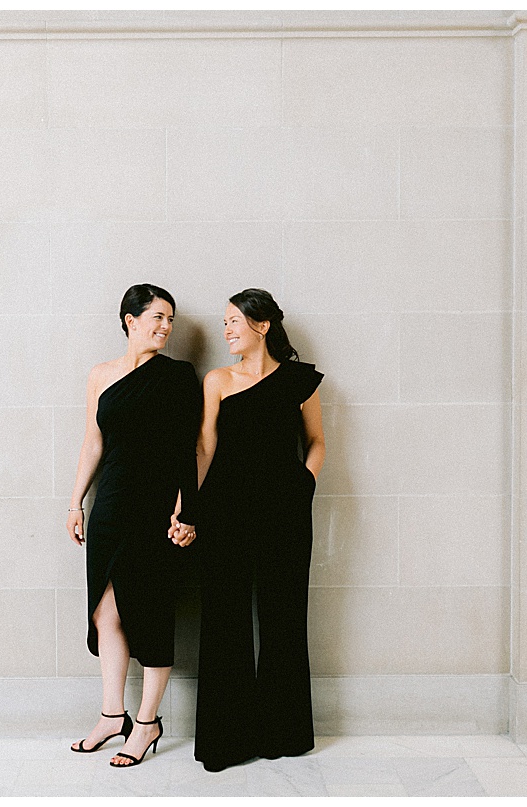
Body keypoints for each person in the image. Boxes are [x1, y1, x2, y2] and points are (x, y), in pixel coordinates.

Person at [174, 288, 325, 773]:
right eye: (224, 323)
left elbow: (318, 442)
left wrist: (303, 485)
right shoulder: (217, 380)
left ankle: (284, 733)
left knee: (283, 619)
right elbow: (202, 450)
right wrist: (187, 511)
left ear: (262, 326)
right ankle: (227, 740)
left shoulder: (301, 381)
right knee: (225, 621)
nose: (226, 331)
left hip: (284, 514)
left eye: (234, 321)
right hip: (225, 514)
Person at [66, 284, 202, 768]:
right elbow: (92, 443)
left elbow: (191, 449)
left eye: (171, 320)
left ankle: (147, 723)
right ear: (130, 319)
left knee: (150, 610)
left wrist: (186, 512)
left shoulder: (180, 376)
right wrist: (76, 501)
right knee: (106, 613)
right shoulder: (101, 375)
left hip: (157, 506)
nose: (166, 327)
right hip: (112, 503)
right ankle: (111, 715)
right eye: (157, 318)